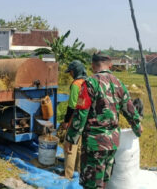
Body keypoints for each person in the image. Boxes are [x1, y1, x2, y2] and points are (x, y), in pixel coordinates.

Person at [64, 52, 142, 189]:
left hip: (95, 144)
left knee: (92, 184)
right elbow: (130, 110)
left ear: (93, 65)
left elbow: (81, 113)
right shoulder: (119, 84)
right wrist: (137, 127)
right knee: (104, 182)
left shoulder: (90, 83)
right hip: (112, 144)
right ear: (110, 65)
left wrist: (71, 138)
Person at [58, 60, 87, 179]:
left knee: (69, 145)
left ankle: (67, 174)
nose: (70, 74)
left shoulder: (76, 84)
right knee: (80, 146)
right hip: (86, 118)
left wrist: (66, 121)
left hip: (76, 119)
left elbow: (72, 105)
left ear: (75, 71)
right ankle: (79, 171)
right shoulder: (89, 81)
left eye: (70, 72)